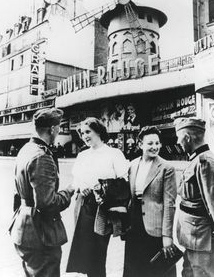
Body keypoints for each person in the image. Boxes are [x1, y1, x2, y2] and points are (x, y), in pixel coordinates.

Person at [9, 108, 74, 277]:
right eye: (59, 128)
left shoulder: (26, 149)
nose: (59, 131)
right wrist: (69, 191)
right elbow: (47, 203)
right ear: (52, 129)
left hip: (24, 229)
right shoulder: (42, 156)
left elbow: (18, 194)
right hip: (41, 234)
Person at [66, 117, 129, 277]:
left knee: (99, 253)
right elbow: (76, 181)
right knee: (86, 253)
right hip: (84, 206)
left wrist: (102, 188)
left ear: (99, 131)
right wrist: (82, 187)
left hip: (103, 207)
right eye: (82, 133)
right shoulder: (82, 155)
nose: (84, 136)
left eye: (88, 132)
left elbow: (123, 181)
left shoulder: (114, 154)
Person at [123, 126, 177, 277]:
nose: (155, 147)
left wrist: (167, 236)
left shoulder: (167, 168)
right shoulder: (132, 165)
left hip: (155, 228)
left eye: (157, 143)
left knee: (157, 270)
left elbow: (169, 204)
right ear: (140, 144)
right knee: (134, 269)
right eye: (150, 143)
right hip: (135, 226)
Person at [174, 117, 214, 277]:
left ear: (187, 137)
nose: (178, 143)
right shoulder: (196, 159)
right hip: (194, 237)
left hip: (202, 239)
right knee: (188, 272)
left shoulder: (204, 162)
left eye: (179, 139)